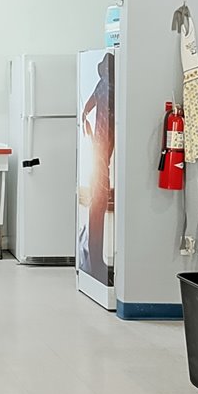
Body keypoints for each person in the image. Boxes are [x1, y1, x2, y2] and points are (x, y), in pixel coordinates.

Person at [78, 52, 116, 284]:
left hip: (99, 151)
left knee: (97, 202)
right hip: (103, 153)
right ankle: (96, 260)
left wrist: (88, 132)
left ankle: (95, 258)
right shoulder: (110, 87)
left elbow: (85, 110)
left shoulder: (102, 86)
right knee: (98, 202)